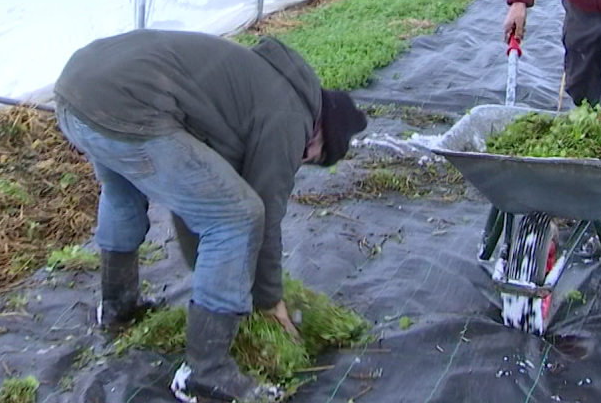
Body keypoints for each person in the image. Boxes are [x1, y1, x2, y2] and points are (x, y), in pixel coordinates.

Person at [52, 28, 368, 403]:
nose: (299, 158)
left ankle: (119, 309)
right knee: (239, 216)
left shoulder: (254, 82)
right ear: (320, 136)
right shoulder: (290, 117)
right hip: (130, 106)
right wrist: (268, 301)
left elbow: (198, 200)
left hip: (77, 91)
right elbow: (262, 214)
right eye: (309, 156)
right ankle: (205, 373)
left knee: (124, 194)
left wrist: (215, 270)